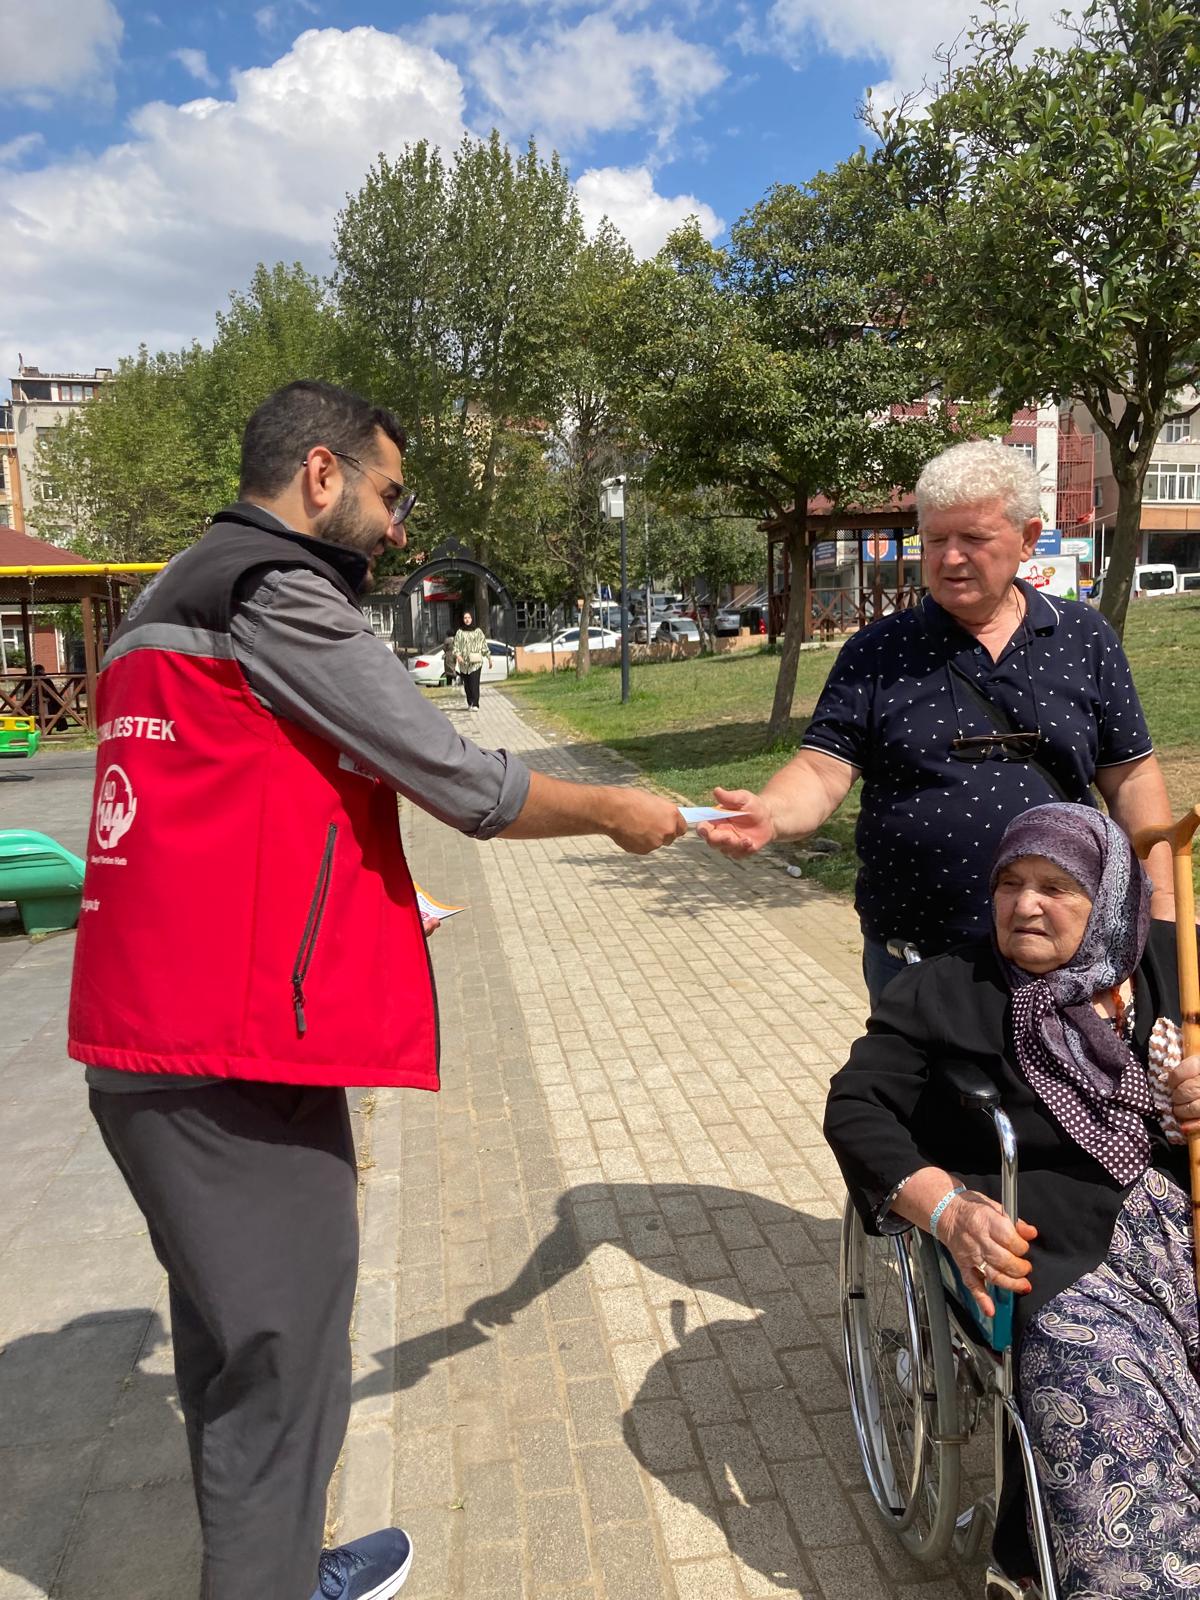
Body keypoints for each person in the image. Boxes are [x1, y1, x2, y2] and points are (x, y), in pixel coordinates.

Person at [67, 380, 685, 1600]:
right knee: (285, 1361)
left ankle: (281, 1561)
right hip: (230, 1058)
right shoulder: (275, 588)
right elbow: (455, 774)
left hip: (154, 1040)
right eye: (390, 495)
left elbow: (220, 804)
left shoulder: (165, 596)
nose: (399, 527)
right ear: (320, 473)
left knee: (232, 1353)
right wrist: (614, 807)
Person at [824, 803, 1200, 1593]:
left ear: (1111, 899)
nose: (1025, 905)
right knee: (1108, 1401)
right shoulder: (945, 989)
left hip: (1177, 1214)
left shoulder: (1172, 960)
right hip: (1046, 1245)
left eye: (1055, 887)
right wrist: (949, 1210)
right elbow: (857, 1106)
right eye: (1009, 883)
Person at [699, 440, 1175, 1003]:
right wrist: (770, 813)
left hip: (1062, 951)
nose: (950, 558)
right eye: (935, 540)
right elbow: (822, 771)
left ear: (1027, 538)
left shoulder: (1084, 638)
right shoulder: (877, 652)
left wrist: (1163, 917)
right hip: (915, 960)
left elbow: (1132, 778)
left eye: (973, 538)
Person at [453, 611, 487, 711]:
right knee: (467, 685)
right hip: (464, 664)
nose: (467, 620)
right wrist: (458, 655)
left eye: (469, 618)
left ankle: (475, 704)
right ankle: (470, 702)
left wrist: (489, 658)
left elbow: (484, 645)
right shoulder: (459, 632)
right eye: (465, 618)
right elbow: (456, 646)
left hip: (475, 663)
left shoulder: (478, 631)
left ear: (472, 619)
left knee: (474, 683)